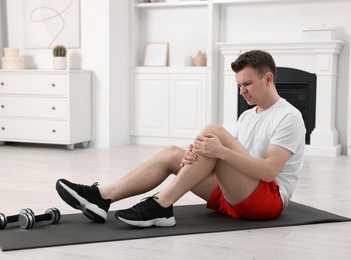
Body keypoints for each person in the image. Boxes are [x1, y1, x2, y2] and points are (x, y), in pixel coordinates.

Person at [56, 50, 306, 228]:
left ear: (269, 78)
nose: (243, 91)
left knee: (214, 131)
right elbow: (231, 161)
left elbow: (268, 172)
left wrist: (219, 151)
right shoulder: (248, 116)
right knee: (172, 153)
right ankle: (102, 197)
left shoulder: (288, 116)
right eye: (239, 85)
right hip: (235, 196)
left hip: (267, 201)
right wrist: (197, 153)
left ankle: (162, 203)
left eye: (248, 83)